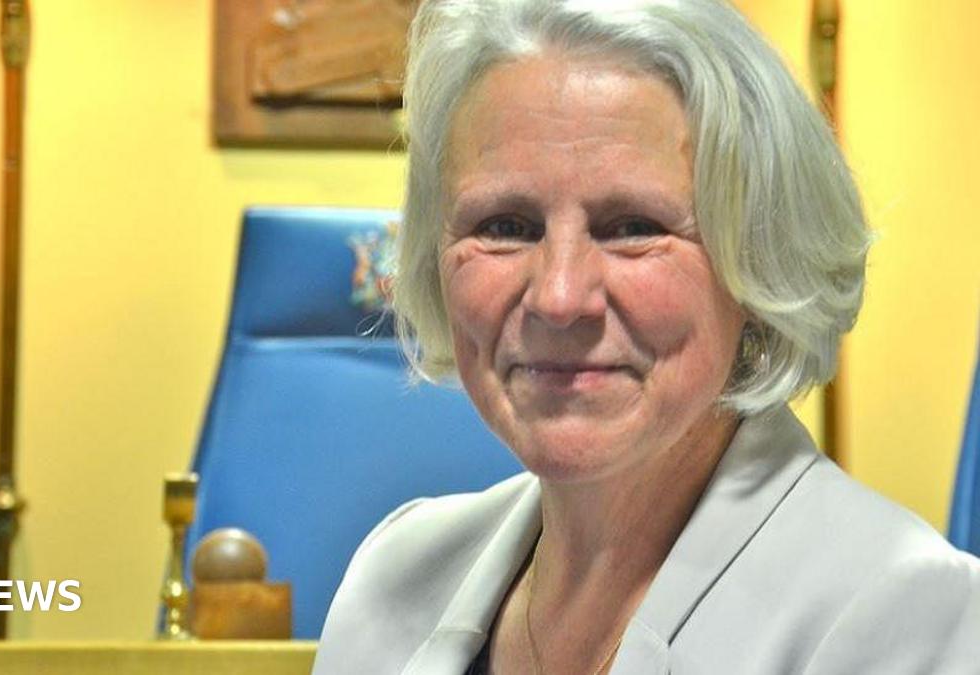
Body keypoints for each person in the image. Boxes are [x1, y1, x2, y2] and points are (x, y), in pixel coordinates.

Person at [312, 0, 980, 673]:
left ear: (758, 260)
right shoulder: (390, 581)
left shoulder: (907, 609)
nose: (559, 296)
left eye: (632, 226)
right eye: (506, 226)